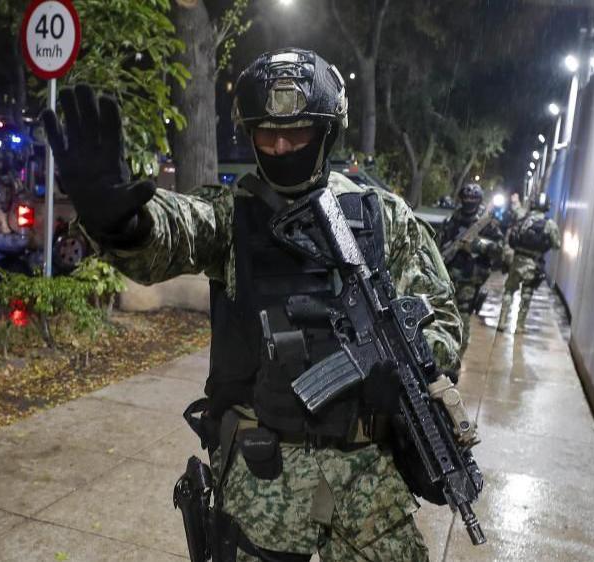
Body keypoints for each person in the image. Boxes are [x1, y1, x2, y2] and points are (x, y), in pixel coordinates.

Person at [42, 48, 466, 561]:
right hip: (263, 481)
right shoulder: (232, 212)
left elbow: (441, 317)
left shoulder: (384, 218)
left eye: (298, 133)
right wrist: (121, 222)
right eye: (266, 134)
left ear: (328, 131)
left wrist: (407, 366)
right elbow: (177, 228)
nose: (282, 145)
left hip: (369, 478)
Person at [439, 183, 505, 348]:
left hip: (470, 279)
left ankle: (457, 359)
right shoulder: (453, 219)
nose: (469, 200)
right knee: (444, 318)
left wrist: (478, 245)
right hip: (449, 277)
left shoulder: (485, 222)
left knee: (463, 319)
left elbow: (499, 249)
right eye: (466, 197)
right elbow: (441, 243)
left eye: (473, 198)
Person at [496, 191, 561, 333]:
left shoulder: (523, 217)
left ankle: (502, 321)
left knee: (509, 290)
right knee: (527, 294)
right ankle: (519, 326)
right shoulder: (549, 224)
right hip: (533, 263)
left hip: (517, 259)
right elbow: (557, 245)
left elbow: (513, 228)